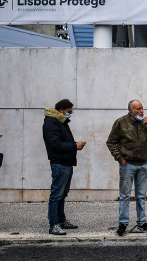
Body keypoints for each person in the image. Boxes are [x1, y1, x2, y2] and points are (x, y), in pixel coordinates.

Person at [106, 100, 147, 236]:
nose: (142, 111)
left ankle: (141, 223)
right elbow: (111, 142)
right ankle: (123, 223)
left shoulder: (144, 123)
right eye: (138, 109)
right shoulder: (120, 123)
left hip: (143, 164)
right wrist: (120, 159)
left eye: (142, 108)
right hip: (127, 165)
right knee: (125, 196)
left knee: (141, 196)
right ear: (131, 110)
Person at [43, 99, 85, 236]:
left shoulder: (60, 121)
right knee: (56, 195)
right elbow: (55, 144)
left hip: (66, 162)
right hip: (59, 163)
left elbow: (62, 141)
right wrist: (74, 145)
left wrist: (75, 145)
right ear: (61, 110)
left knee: (62, 194)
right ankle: (53, 225)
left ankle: (61, 220)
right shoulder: (51, 122)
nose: (70, 114)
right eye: (68, 112)